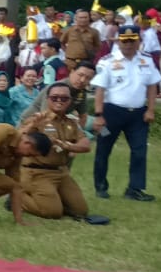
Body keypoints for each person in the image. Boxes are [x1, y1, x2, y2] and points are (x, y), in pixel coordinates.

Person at [91, 23, 161, 201]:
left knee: (139, 151)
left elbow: (152, 86)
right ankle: (100, 186)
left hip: (138, 114)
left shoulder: (147, 59)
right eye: (125, 41)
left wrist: (151, 109)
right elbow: (100, 89)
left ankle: (134, 189)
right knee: (103, 149)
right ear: (119, 41)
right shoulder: (107, 61)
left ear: (139, 41)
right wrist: (98, 115)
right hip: (111, 113)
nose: (128, 44)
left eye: (132, 40)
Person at [22, 82, 107, 224]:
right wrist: (32, 126)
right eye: (55, 98)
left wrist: (68, 146)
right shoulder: (38, 119)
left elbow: (85, 145)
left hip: (61, 172)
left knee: (80, 211)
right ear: (47, 99)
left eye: (64, 98)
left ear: (70, 101)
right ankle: (16, 196)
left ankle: (53, 199)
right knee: (52, 212)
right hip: (37, 173)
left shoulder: (71, 122)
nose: (59, 101)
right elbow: (19, 138)